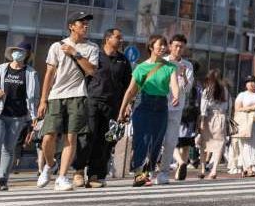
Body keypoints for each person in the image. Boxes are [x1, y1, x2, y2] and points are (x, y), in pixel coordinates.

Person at [36, 11, 100, 191]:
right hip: (56, 96)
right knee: (47, 137)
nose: (86, 26)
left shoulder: (92, 48)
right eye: (82, 23)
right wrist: (43, 100)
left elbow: (92, 71)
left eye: (87, 23)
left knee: (71, 137)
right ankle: (50, 165)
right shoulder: (57, 46)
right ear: (71, 26)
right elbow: (49, 74)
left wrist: (75, 53)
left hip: (78, 95)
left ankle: (62, 177)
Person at [71, 28, 130, 188]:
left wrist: (126, 105)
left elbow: (127, 85)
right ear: (107, 38)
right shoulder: (95, 55)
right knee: (87, 137)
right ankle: (78, 170)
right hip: (92, 101)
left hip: (112, 105)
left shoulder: (123, 60)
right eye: (118, 37)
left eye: (121, 38)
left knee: (105, 141)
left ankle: (95, 175)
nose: (121, 40)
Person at [118, 35, 181, 187]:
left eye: (164, 45)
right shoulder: (141, 68)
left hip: (161, 105)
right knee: (142, 139)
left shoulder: (170, 67)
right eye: (160, 45)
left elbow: (174, 84)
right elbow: (130, 91)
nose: (163, 48)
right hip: (143, 104)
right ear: (151, 47)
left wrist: (176, 96)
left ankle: (147, 172)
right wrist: (122, 110)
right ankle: (138, 173)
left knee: (156, 141)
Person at [0, 43, 38, 191]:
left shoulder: (31, 73)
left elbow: (34, 97)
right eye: (16, 51)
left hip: (18, 116)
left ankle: (2, 179)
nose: (18, 54)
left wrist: (33, 116)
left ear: (27, 55)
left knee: (9, 148)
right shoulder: (1, 69)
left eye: (22, 52)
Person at [154, 34, 195, 185]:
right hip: (159, 105)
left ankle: (164, 173)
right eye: (176, 46)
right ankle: (149, 170)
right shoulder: (161, 61)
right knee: (156, 140)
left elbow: (187, 89)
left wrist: (183, 75)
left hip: (176, 109)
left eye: (181, 47)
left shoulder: (187, 65)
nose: (178, 49)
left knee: (171, 141)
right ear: (170, 46)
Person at [198, 69, 230, 179]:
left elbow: (203, 108)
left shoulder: (207, 90)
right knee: (219, 144)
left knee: (204, 144)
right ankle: (214, 170)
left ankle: (202, 169)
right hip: (221, 117)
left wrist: (202, 122)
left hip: (209, 118)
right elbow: (228, 106)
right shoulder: (225, 90)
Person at [234, 77, 255, 176]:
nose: (251, 84)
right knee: (247, 145)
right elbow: (237, 109)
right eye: (248, 82)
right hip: (246, 122)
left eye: (253, 82)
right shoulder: (242, 95)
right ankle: (249, 168)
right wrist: (250, 108)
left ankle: (245, 167)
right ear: (245, 84)